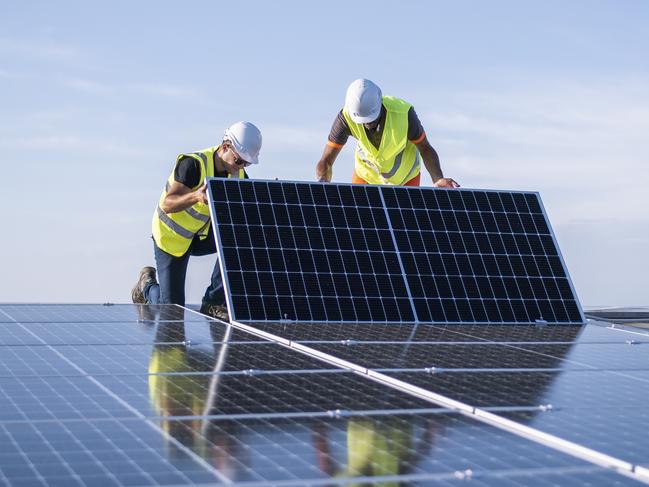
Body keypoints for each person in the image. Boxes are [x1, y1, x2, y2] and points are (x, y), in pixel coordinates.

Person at [131, 121, 262, 320]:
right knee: (172, 311)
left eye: (247, 163)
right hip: (171, 238)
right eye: (239, 161)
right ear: (225, 147)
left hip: (199, 236)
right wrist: (195, 197)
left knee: (241, 236)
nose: (242, 167)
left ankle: (213, 301)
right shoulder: (193, 164)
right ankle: (147, 287)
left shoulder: (239, 176)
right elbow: (168, 203)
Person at [316, 78, 459, 188]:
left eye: (371, 120)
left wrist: (438, 179)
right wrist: (322, 182)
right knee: (360, 223)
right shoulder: (346, 118)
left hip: (406, 178)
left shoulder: (404, 114)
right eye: (362, 122)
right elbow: (326, 160)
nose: (367, 124)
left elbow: (425, 148)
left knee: (403, 224)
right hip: (366, 176)